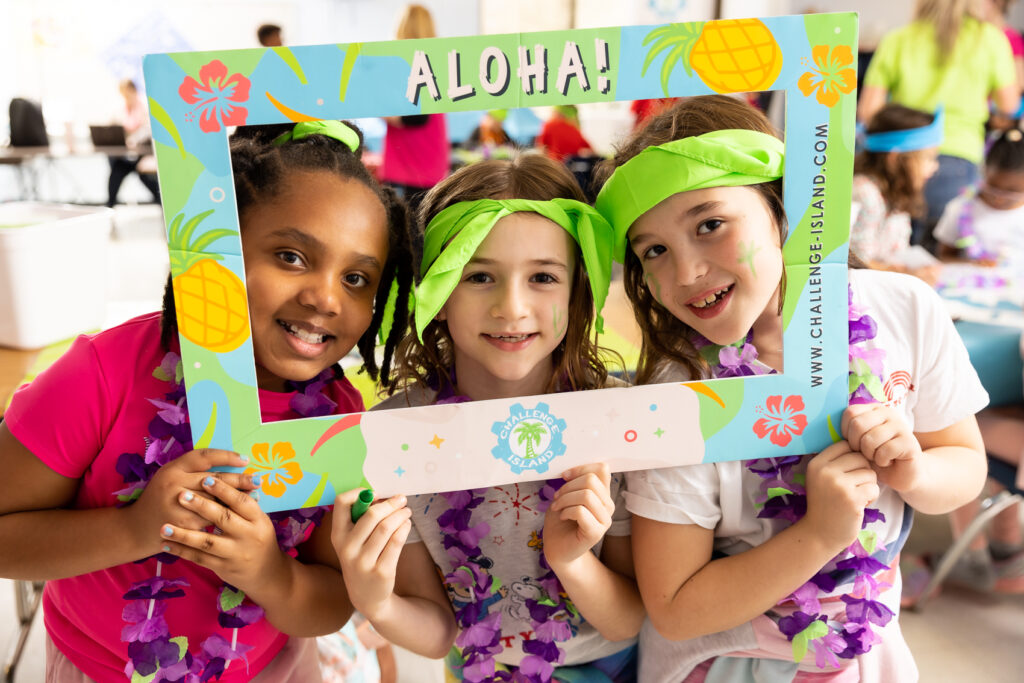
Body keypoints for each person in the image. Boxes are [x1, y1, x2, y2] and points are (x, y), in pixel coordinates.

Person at [0, 119, 416, 682]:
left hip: (272, 668)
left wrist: (268, 572)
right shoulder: (104, 373)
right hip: (96, 668)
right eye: (291, 256)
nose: (324, 297)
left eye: (357, 278)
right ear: (217, 252)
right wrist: (135, 531)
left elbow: (329, 604)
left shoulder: (344, 423)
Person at [594, 95, 988, 682]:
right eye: (655, 250)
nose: (686, 273)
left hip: (863, 650)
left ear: (785, 207)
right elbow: (676, 609)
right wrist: (821, 534)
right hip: (723, 663)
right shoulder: (677, 393)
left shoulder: (904, 307)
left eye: (710, 224)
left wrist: (912, 472)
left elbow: (964, 464)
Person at [331, 155, 643, 682]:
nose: (511, 307)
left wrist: (572, 560)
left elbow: (628, 618)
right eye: (479, 276)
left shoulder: (619, 421)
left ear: (579, 294)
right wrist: (377, 603)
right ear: (438, 295)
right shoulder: (395, 437)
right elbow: (437, 630)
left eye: (543, 276)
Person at [859, 0, 1019, 251]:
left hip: (903, 161)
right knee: (938, 255)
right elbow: (1008, 106)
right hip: (960, 160)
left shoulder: (899, 39)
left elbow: (868, 111)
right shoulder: (989, 39)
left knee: (892, 252)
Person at [851, 104, 942, 284]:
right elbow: (856, 263)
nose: (935, 167)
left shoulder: (897, 193)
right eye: (928, 158)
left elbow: (896, 253)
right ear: (895, 159)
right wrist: (909, 275)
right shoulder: (864, 193)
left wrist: (919, 269)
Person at [380, 4, 450, 217]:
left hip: (412, 161)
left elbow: (417, 118)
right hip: (428, 158)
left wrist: (384, 113)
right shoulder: (435, 61)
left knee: (408, 232)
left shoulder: (407, 63)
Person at [934, 125, 1024, 265]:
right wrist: (971, 264)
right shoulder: (959, 207)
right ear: (983, 173)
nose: (999, 198)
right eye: (993, 188)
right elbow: (944, 255)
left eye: (1011, 193)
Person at [106, 79, 161, 207]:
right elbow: (113, 127)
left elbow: (148, 130)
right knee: (116, 173)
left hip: (143, 155)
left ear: (133, 91)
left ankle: (164, 204)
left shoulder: (145, 107)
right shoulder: (121, 110)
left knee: (147, 178)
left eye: (127, 93)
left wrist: (133, 140)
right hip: (126, 156)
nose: (125, 97)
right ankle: (110, 206)